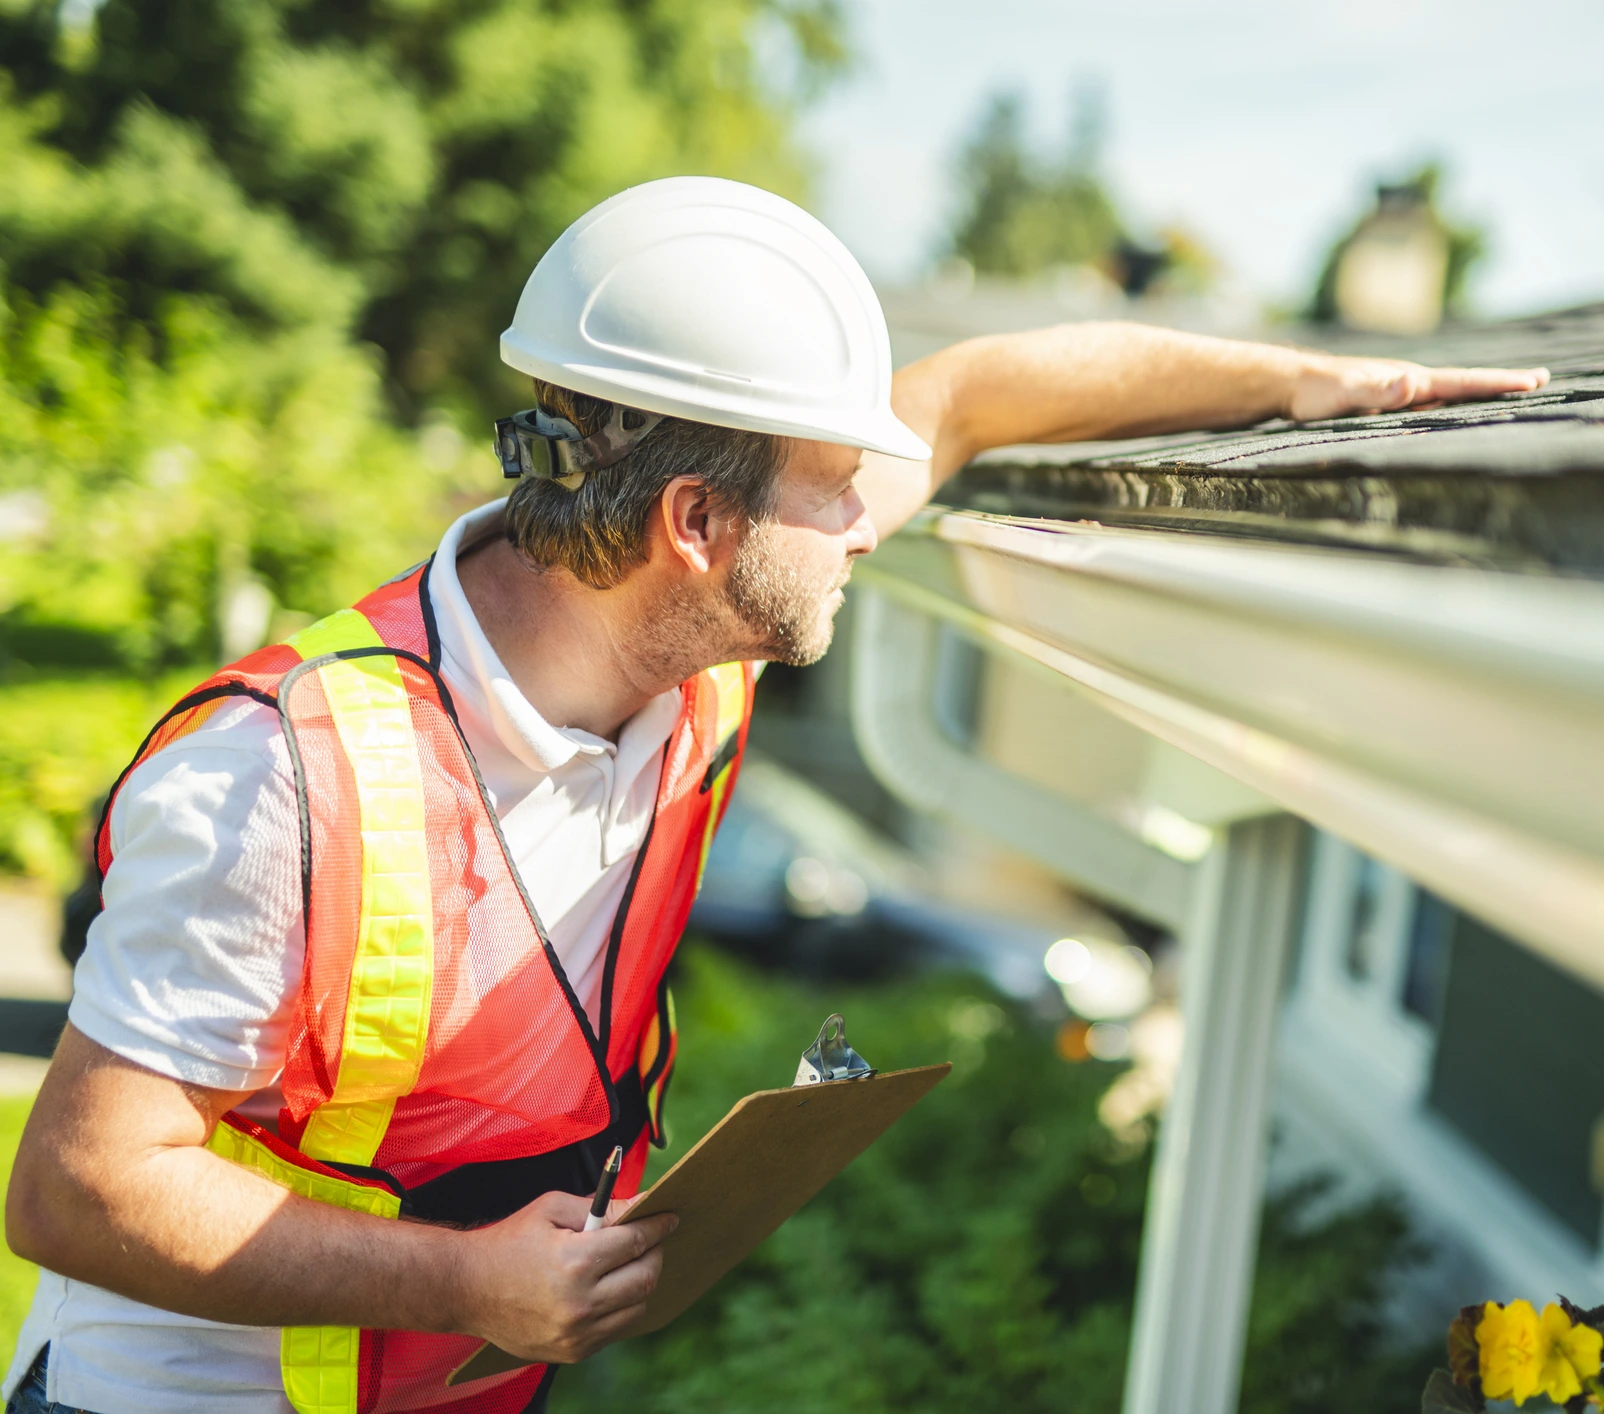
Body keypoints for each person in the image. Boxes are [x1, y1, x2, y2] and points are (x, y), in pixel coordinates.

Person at [1, 177, 1546, 1414]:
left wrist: (1316, 379)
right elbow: (81, 1185)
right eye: (834, 485)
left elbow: (976, 394)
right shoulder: (283, 771)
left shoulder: (695, 644)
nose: (871, 518)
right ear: (694, 517)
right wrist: (463, 1281)